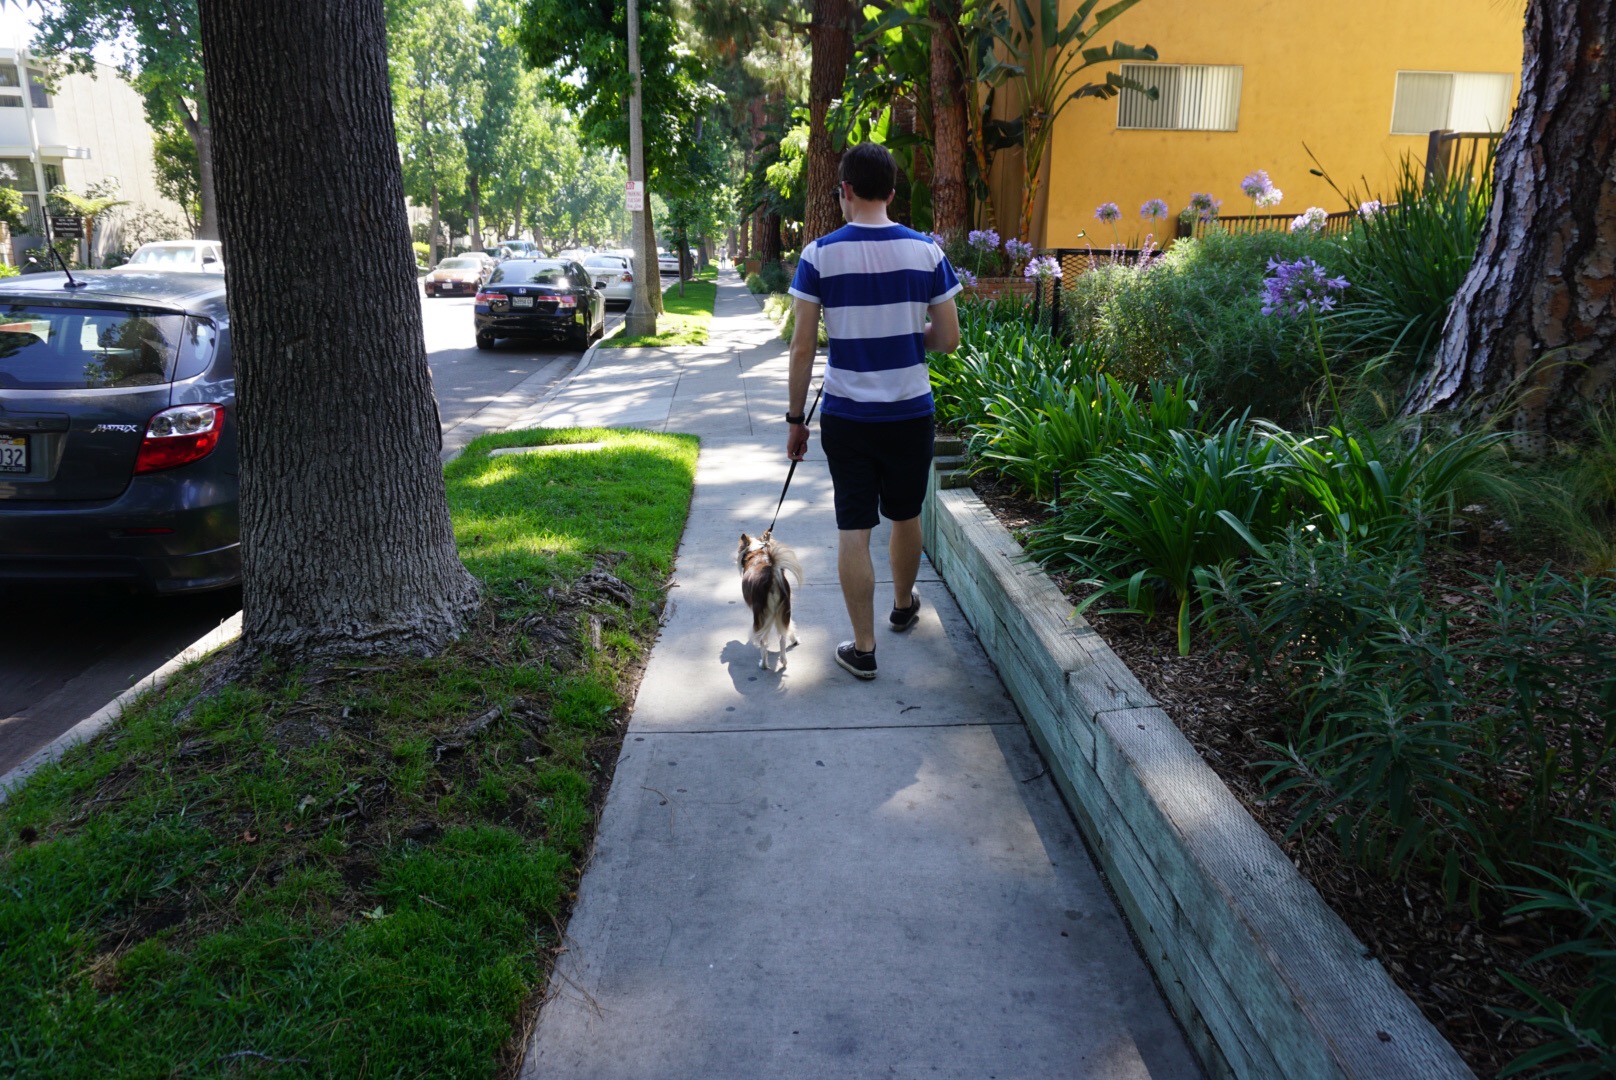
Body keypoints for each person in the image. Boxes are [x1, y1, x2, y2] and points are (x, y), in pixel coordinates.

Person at [784, 142, 962, 680]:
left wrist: (796, 420)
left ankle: (864, 649)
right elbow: (948, 338)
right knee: (906, 515)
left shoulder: (819, 255)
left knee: (854, 527)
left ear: (845, 190)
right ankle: (903, 606)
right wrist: (909, 335)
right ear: (891, 192)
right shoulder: (927, 252)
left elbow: (802, 346)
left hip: (849, 417)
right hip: (910, 413)